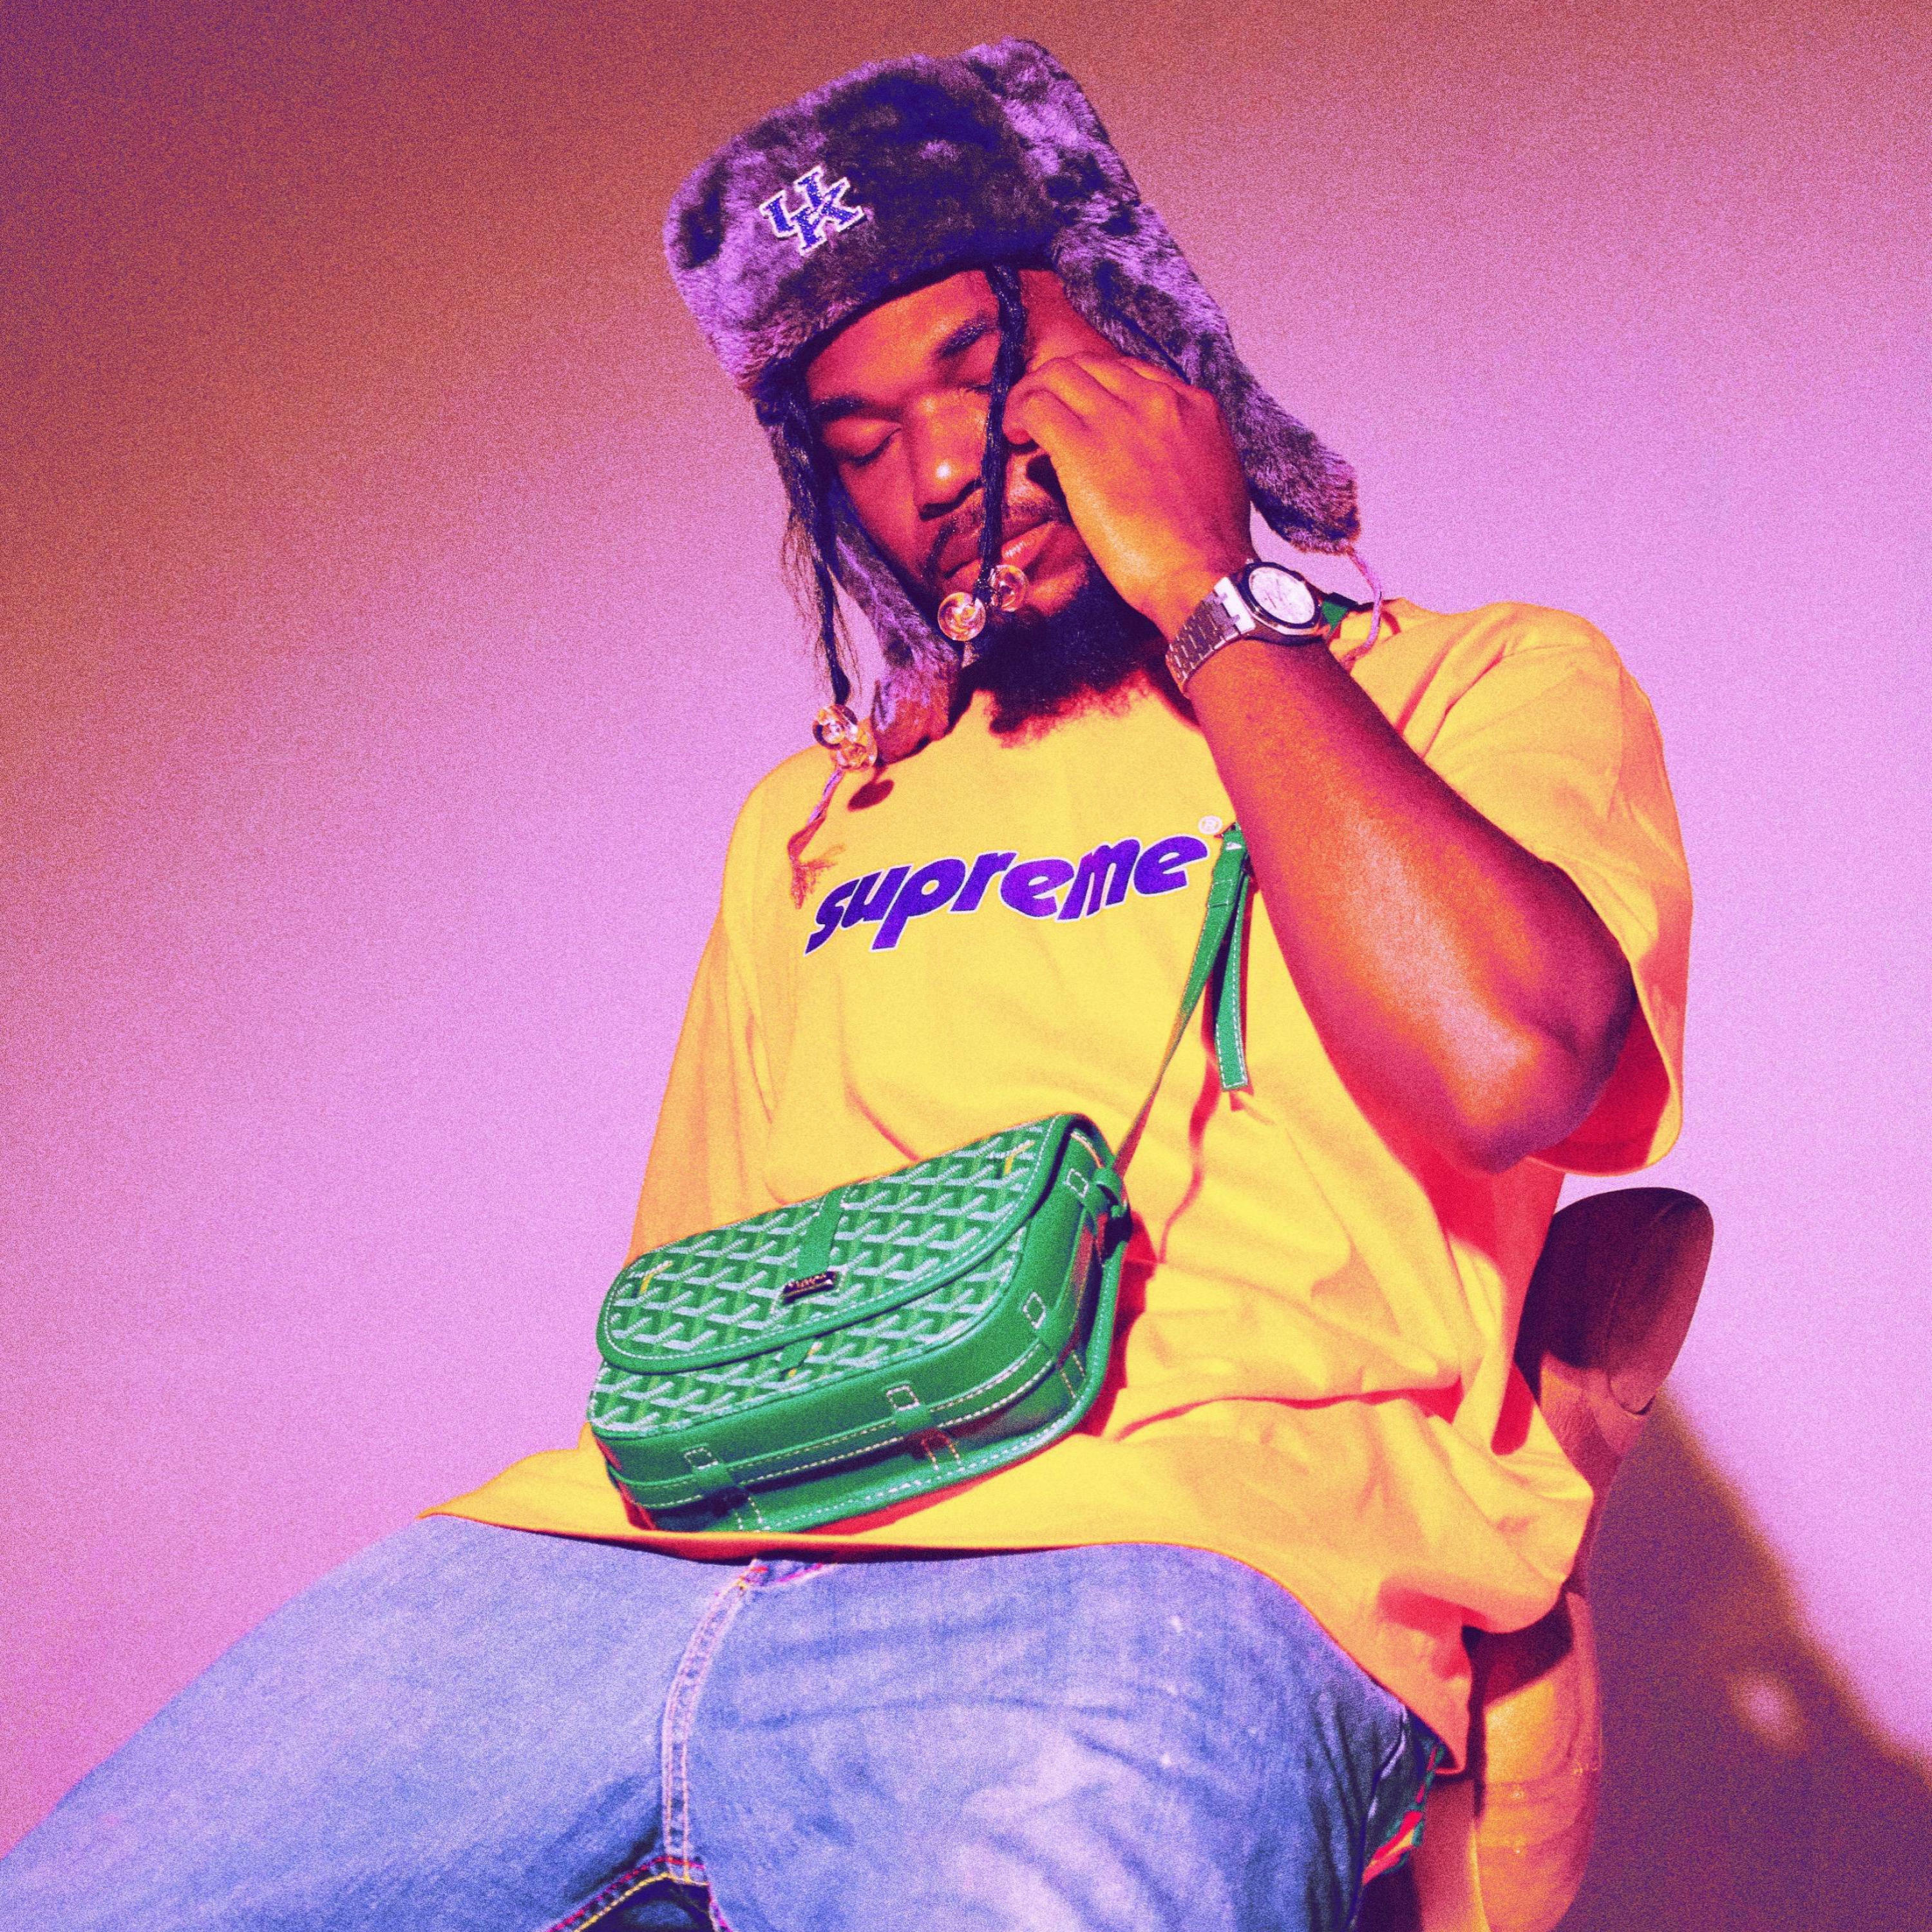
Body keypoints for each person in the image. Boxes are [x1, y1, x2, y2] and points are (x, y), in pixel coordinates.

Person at [0, 37, 1690, 1932]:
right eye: (864, 439)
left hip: (1155, 1560)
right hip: (616, 1570)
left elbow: (1512, 1061)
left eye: (985, 368)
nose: (944, 467)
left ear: (1144, 341)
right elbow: (697, 1326)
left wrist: (1215, 598)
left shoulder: (1467, 688)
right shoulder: (820, 816)